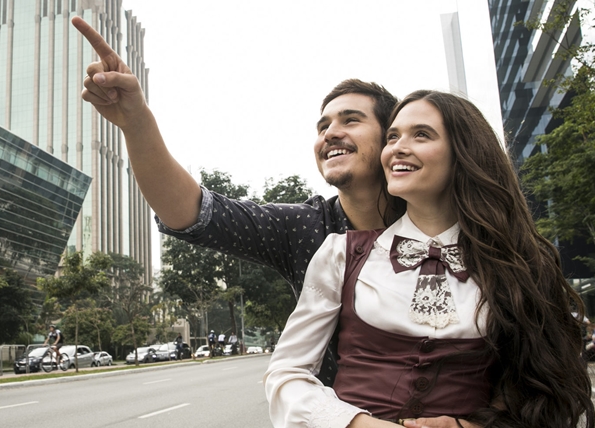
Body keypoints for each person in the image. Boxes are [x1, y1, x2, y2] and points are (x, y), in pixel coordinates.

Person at [73, 17, 402, 387]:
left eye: (351, 120)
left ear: (392, 139)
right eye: (322, 126)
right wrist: (135, 120)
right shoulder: (305, 228)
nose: (331, 134)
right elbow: (192, 212)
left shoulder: (443, 221)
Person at [265, 90, 595, 428]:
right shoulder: (341, 255)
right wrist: (357, 424)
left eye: (421, 134)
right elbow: (287, 374)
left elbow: (549, 393)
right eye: (392, 137)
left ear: (463, 152)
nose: (397, 148)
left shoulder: (520, 265)